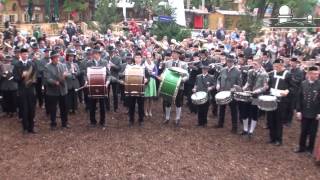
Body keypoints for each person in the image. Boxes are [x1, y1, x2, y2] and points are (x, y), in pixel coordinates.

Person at [267, 58, 293, 146]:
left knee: (278, 120)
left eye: (277, 66)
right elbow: (269, 84)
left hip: (281, 100)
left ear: (282, 65)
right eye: (274, 66)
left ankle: (278, 139)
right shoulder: (272, 73)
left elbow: (293, 87)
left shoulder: (288, 74)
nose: (275, 68)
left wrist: (287, 91)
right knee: (270, 119)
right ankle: (272, 137)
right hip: (271, 98)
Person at [240, 58, 269, 138]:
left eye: (255, 64)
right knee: (244, 112)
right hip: (248, 94)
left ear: (260, 65)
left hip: (257, 96)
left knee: (254, 113)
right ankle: (245, 129)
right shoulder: (250, 72)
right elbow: (248, 82)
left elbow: (265, 87)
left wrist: (256, 91)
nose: (253, 65)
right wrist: (244, 88)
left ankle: (251, 131)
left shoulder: (264, 74)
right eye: (253, 64)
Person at [295, 66, 320, 154]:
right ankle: (301, 147)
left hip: (315, 113)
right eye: (314, 73)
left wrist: (319, 113)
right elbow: (299, 98)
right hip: (304, 112)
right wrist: (298, 111)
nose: (317, 75)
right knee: (303, 131)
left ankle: (310, 149)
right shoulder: (303, 83)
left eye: (317, 74)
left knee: (313, 132)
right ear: (309, 74)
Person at [161, 49, 189, 127]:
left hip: (179, 86)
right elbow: (164, 72)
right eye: (173, 53)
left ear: (179, 55)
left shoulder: (183, 64)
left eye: (175, 53)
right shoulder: (167, 63)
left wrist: (182, 80)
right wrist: (162, 76)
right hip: (168, 85)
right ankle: (167, 118)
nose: (173, 55)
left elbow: (187, 75)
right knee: (167, 102)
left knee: (178, 102)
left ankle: (177, 118)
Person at [13, 48, 37, 134]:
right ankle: (25, 128)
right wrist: (22, 77)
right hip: (22, 90)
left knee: (32, 109)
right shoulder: (17, 65)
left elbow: (35, 76)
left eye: (26, 54)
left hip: (30, 89)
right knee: (24, 109)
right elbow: (15, 78)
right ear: (20, 55)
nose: (25, 55)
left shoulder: (32, 64)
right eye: (23, 54)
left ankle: (32, 127)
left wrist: (32, 81)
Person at [215, 55, 242, 134]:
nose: (229, 63)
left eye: (230, 62)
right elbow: (219, 79)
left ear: (233, 62)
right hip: (222, 91)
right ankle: (220, 123)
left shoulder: (237, 71)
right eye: (228, 62)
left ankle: (234, 127)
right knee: (221, 108)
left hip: (232, 93)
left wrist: (235, 89)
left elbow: (240, 83)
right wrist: (218, 84)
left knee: (233, 110)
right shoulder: (223, 70)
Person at [44, 50, 69, 130]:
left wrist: (67, 75)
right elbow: (47, 79)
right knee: (53, 109)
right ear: (51, 58)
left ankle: (64, 123)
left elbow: (68, 74)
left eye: (58, 57)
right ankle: (53, 124)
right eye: (55, 57)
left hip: (63, 90)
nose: (57, 59)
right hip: (52, 91)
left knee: (64, 108)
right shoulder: (47, 67)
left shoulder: (63, 65)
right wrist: (55, 82)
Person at [86, 46, 111, 127]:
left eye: (96, 53)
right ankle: (93, 122)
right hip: (92, 86)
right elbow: (85, 74)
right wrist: (86, 81)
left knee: (102, 105)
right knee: (92, 105)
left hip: (102, 86)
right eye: (93, 53)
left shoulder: (104, 62)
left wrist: (107, 82)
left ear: (99, 54)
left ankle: (102, 122)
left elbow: (109, 75)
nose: (94, 55)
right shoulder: (89, 63)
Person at [125, 52, 149, 126]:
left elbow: (148, 77)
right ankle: (131, 120)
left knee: (141, 105)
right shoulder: (129, 67)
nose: (138, 59)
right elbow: (125, 76)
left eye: (139, 57)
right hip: (131, 88)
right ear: (134, 58)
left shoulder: (144, 67)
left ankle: (141, 120)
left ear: (141, 59)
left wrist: (146, 80)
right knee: (131, 105)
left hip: (140, 88)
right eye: (136, 57)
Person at [192, 62, 216, 127]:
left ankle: (204, 122)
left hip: (207, 95)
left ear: (207, 70)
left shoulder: (211, 77)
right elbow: (196, 84)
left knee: (205, 109)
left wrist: (211, 87)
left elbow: (214, 85)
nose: (204, 70)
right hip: (199, 95)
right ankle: (199, 122)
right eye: (203, 69)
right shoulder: (198, 76)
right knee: (199, 109)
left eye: (205, 69)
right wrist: (194, 89)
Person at [65, 49, 80, 114]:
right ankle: (70, 108)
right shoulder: (64, 64)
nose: (71, 57)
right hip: (68, 82)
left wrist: (76, 72)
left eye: (72, 56)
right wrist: (70, 71)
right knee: (69, 96)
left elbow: (79, 73)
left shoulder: (76, 64)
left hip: (75, 82)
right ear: (67, 57)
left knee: (75, 96)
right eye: (70, 56)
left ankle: (75, 108)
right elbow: (65, 73)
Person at [143, 51, 157, 117]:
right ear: (146, 58)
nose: (149, 58)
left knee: (151, 97)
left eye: (150, 57)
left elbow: (156, 72)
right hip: (146, 81)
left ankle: (150, 111)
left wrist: (151, 73)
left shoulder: (154, 64)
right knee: (146, 97)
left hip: (152, 81)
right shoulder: (144, 64)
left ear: (152, 58)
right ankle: (145, 111)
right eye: (147, 57)